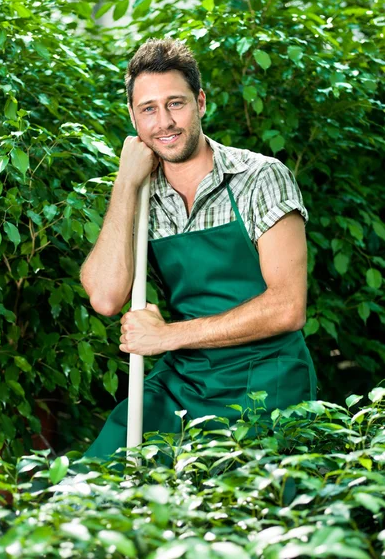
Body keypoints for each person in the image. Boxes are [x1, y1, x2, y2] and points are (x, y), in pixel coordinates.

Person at [80, 37, 318, 462]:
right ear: (133, 118)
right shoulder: (139, 195)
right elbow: (105, 296)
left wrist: (167, 336)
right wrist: (125, 182)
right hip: (187, 379)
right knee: (98, 479)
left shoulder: (260, 177)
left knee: (240, 507)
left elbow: (287, 307)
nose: (164, 122)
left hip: (269, 376)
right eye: (148, 109)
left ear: (201, 102)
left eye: (176, 103)